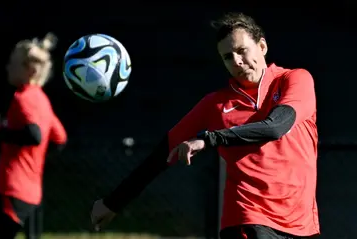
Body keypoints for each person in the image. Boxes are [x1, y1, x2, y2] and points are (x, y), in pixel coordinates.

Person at [91, 12, 319, 239]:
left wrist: (209, 138)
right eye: (228, 57)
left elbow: (276, 126)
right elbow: (160, 156)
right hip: (248, 220)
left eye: (242, 51)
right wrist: (113, 203)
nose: (237, 61)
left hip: (303, 225)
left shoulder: (295, 80)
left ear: (262, 46)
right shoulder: (215, 104)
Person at [0, 33, 68, 239]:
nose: (8, 68)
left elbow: (34, 135)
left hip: (11, 188)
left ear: (29, 70)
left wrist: (1, 133)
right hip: (31, 192)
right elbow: (59, 139)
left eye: (13, 63)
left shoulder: (23, 97)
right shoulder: (43, 101)